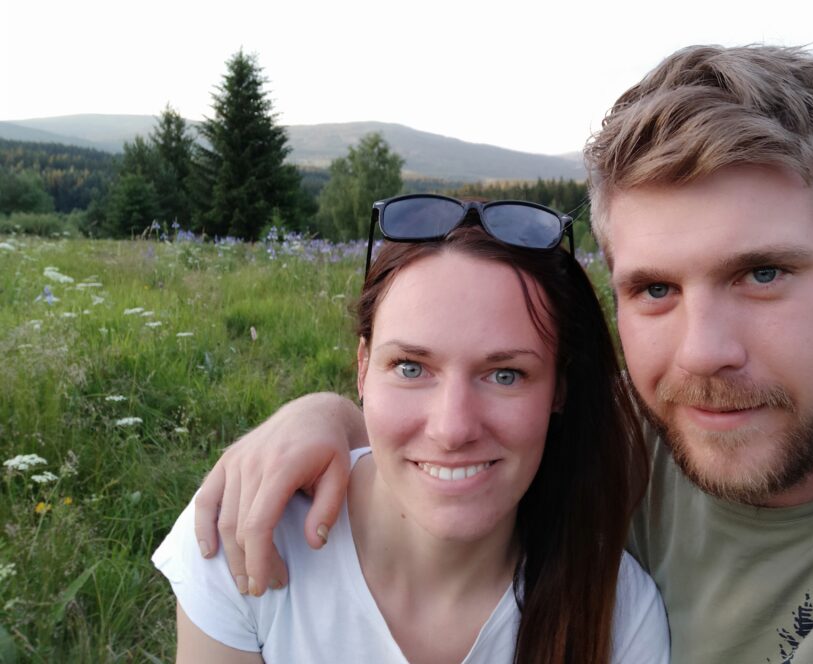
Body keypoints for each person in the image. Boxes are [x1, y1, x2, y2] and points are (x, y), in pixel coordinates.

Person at [190, 46, 813, 663]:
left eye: (763, 274)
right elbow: (458, 428)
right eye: (655, 289)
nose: (704, 354)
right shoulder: (631, 436)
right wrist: (326, 420)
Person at [153, 200, 669, 663]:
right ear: (362, 369)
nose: (452, 429)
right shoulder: (248, 533)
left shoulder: (619, 617)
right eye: (410, 368)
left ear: (559, 389)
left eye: (505, 375)